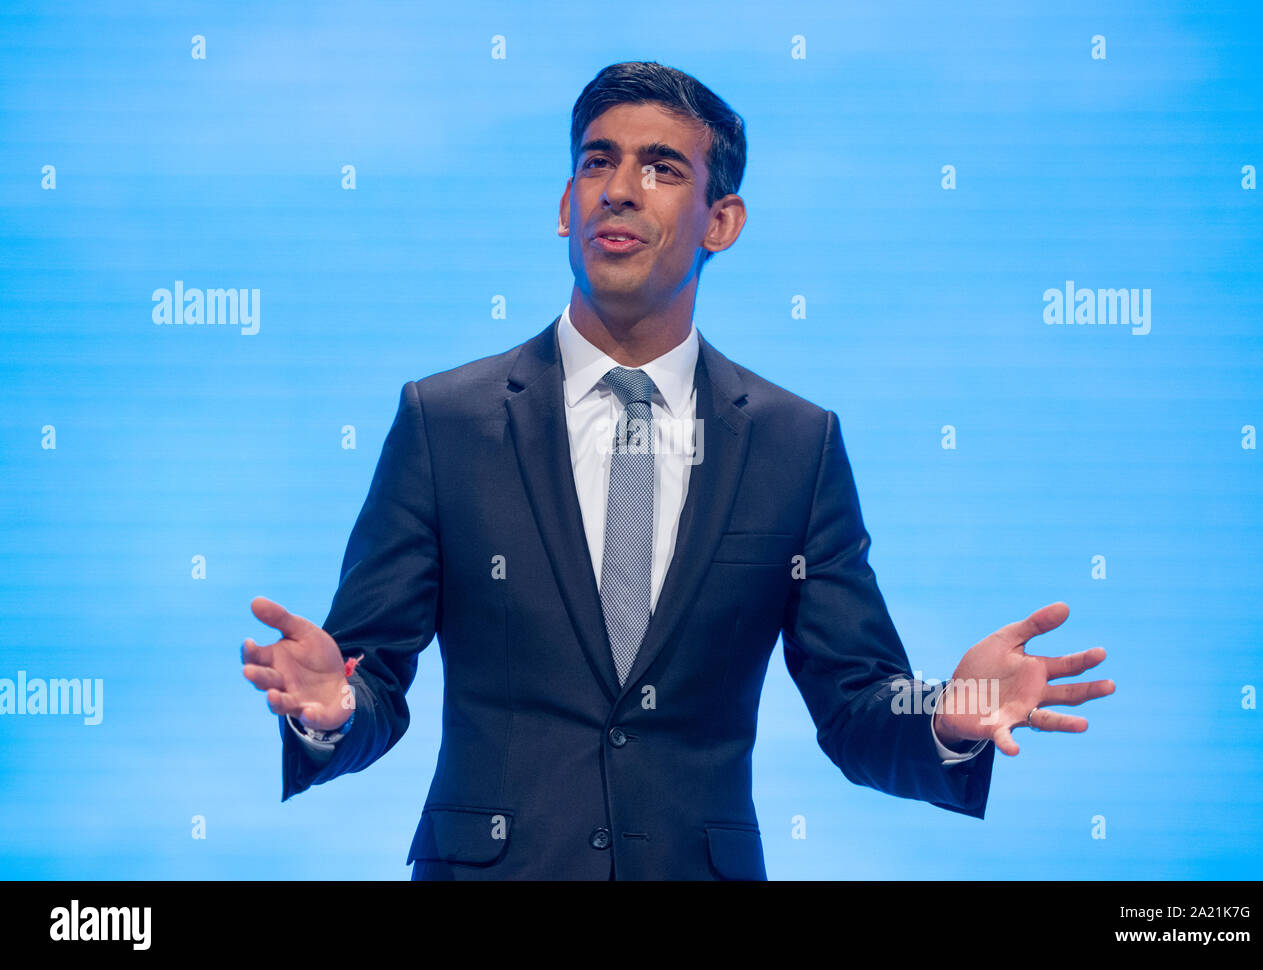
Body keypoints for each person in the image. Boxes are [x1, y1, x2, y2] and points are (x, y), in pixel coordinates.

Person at [240, 61, 1114, 880]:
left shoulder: (794, 444)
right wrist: (334, 713)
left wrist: (945, 716)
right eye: (597, 162)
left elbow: (853, 705)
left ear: (721, 222)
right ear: (564, 203)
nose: (618, 188)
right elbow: (370, 680)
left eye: (660, 167)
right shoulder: (447, 422)